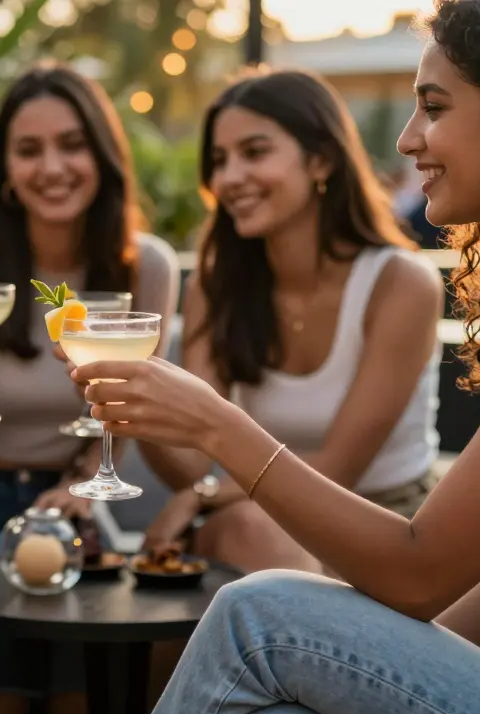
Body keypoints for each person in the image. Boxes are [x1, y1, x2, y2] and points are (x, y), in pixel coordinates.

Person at [70, 0, 480, 714]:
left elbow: (419, 572)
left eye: (434, 107)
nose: (409, 140)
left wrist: (217, 427)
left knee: (258, 614)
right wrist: (365, 672)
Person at [0, 62, 180, 714]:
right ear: (5, 170)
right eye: (29, 150)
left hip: (74, 501)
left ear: (104, 155)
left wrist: (80, 487)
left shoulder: (146, 267)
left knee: (68, 583)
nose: (52, 167)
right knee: (24, 584)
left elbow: (124, 412)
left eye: (71, 144)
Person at [139, 68, 445, 575]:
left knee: (248, 537)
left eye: (254, 153)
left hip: (383, 520)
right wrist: (136, 398)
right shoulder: (217, 288)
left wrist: (206, 494)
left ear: (321, 159)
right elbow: (188, 463)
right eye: (218, 161)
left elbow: (337, 470)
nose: (229, 177)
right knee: (203, 560)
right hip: (256, 515)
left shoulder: (400, 283)